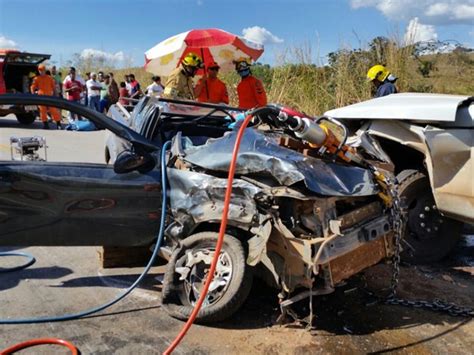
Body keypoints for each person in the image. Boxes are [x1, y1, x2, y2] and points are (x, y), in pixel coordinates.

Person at [30, 64, 62, 129]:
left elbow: (54, 88)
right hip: (41, 97)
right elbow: (32, 87)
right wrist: (33, 94)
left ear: (45, 70)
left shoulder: (49, 78)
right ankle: (45, 124)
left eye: (42, 70)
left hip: (49, 97)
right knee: (42, 111)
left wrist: (56, 95)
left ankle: (58, 124)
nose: (41, 71)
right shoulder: (36, 79)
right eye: (40, 70)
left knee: (53, 110)